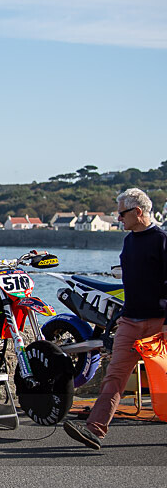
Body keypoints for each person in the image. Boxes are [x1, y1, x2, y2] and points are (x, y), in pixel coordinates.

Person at [64, 188, 167, 449]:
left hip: (159, 322)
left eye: (121, 213)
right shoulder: (129, 241)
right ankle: (94, 430)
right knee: (115, 375)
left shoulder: (162, 239)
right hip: (131, 320)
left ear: (138, 212)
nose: (118, 219)